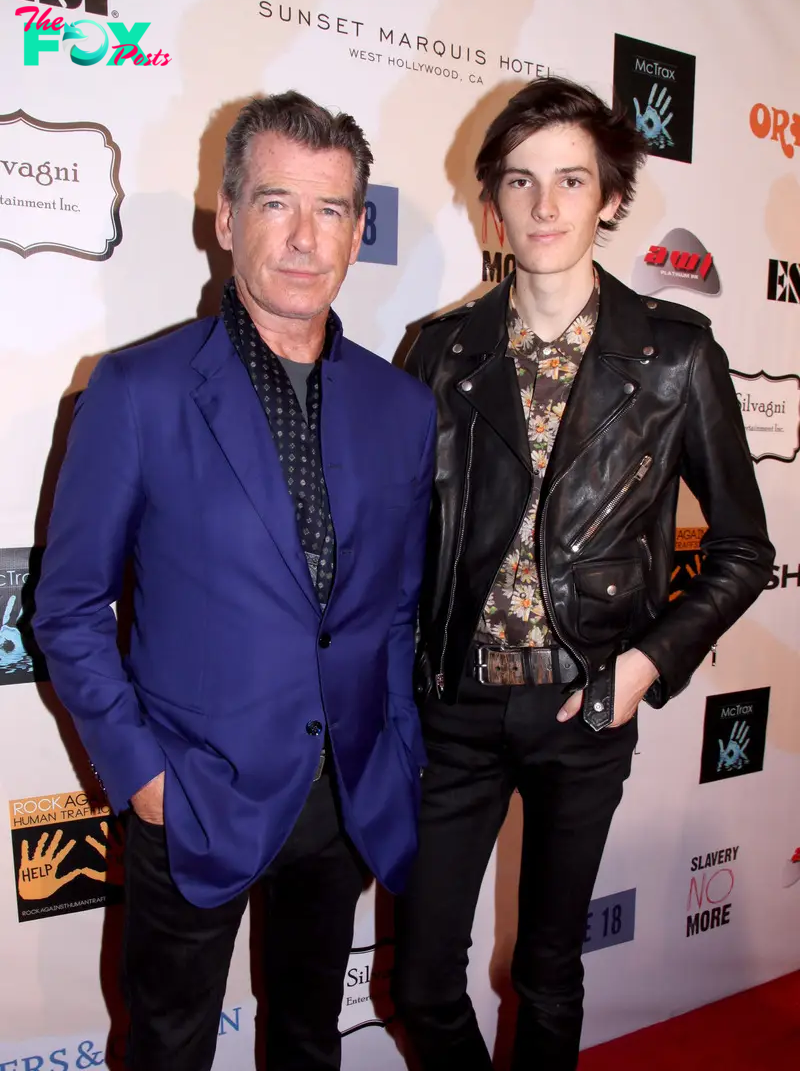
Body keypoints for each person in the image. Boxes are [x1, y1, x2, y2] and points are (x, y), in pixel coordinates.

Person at [33, 91, 436, 1071]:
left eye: (331, 209)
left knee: (307, 1040)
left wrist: (394, 751)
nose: (304, 238)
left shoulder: (400, 405)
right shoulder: (136, 390)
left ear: (356, 228)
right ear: (224, 219)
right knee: (168, 1048)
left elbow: (389, 608)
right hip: (194, 796)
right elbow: (70, 610)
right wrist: (143, 779)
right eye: (274, 203)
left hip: (344, 799)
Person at [393, 76, 774, 1071]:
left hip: (586, 707)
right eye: (521, 182)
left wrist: (643, 667)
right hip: (453, 711)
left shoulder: (674, 357)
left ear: (609, 197)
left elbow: (742, 549)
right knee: (422, 979)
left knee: (547, 972)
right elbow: (398, 538)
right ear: (491, 205)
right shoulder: (438, 353)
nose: (546, 205)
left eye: (571, 180)